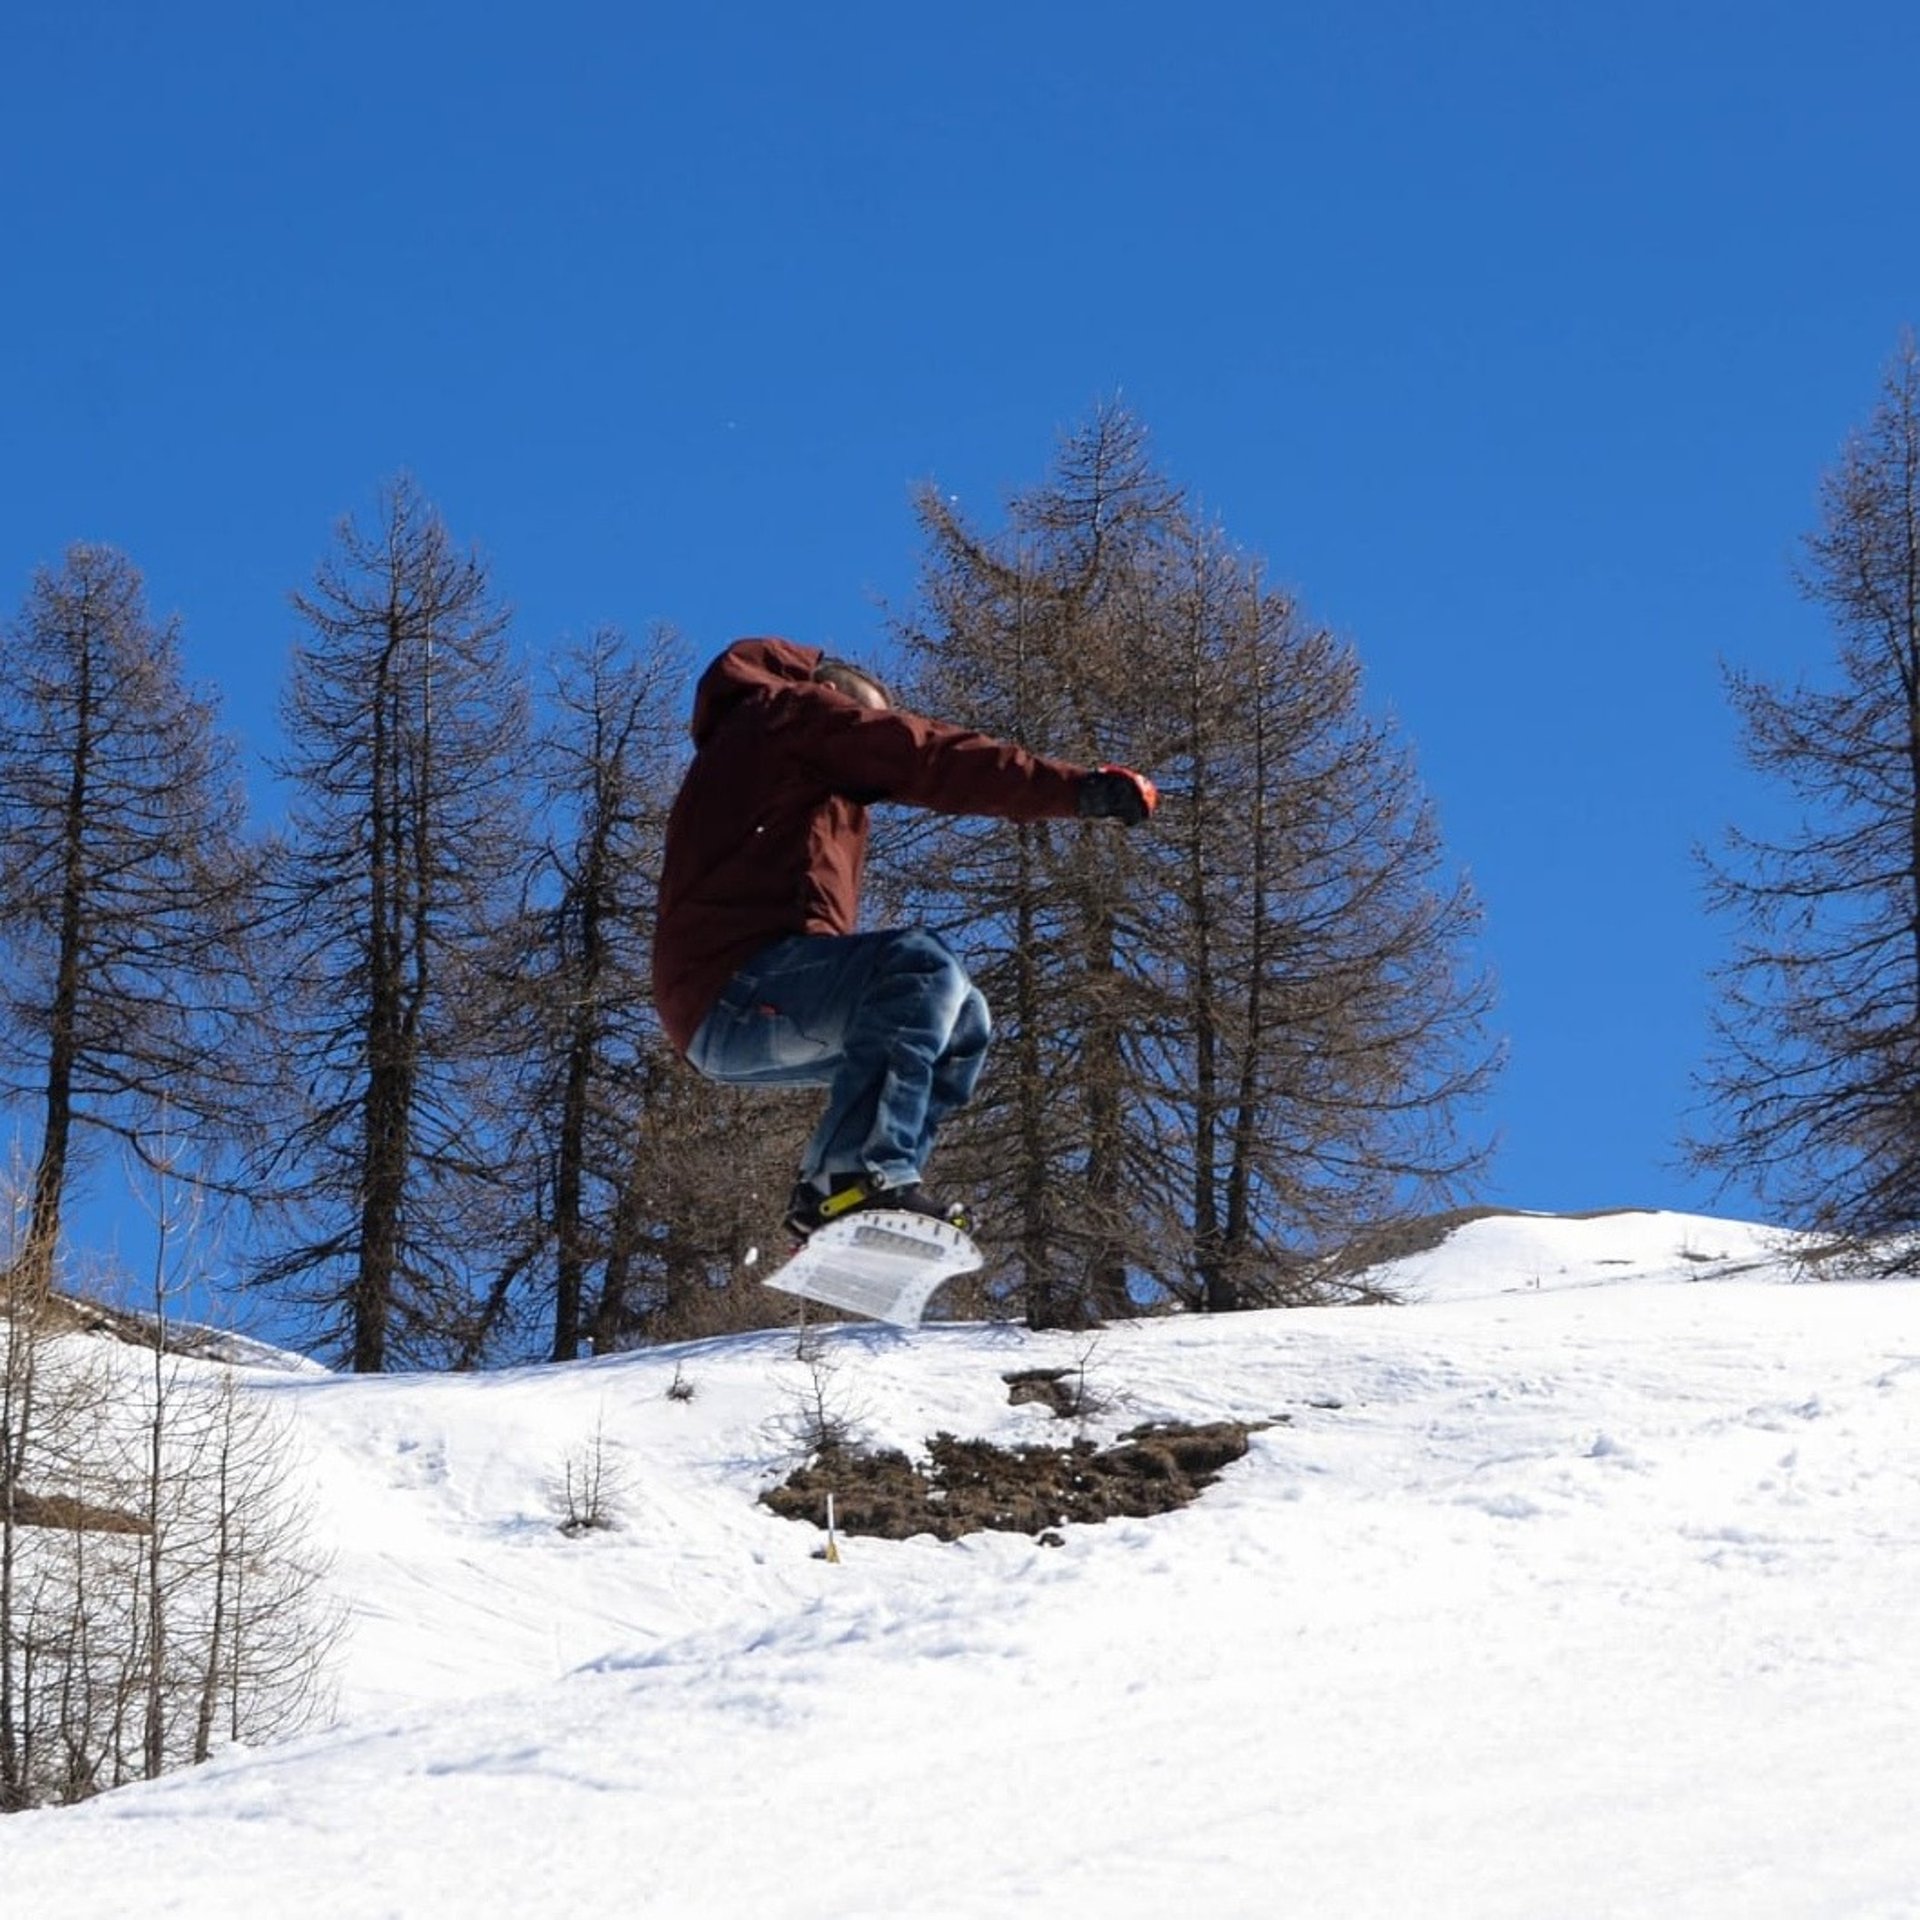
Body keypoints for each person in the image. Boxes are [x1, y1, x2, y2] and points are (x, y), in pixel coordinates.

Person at [652, 637, 1156, 1239]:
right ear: (834, 695)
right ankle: (849, 1181)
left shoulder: (793, 776)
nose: (874, 727)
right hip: (738, 985)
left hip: (741, 1018)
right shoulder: (786, 716)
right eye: (868, 716)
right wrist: (1073, 790)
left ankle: (857, 1198)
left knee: (961, 1018)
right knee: (920, 967)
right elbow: (925, 756)